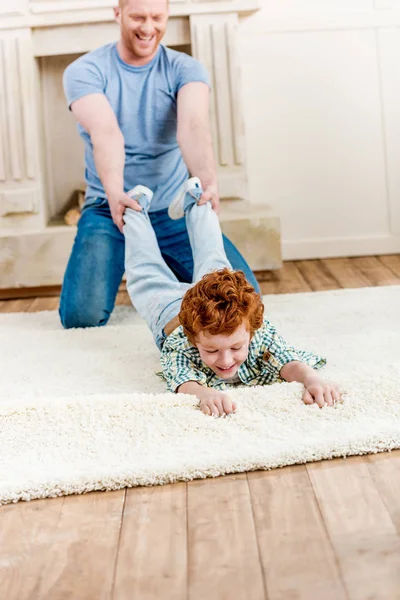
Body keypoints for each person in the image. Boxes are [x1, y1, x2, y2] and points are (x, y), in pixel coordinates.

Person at [59, 0, 260, 329]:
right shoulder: (85, 70)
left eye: (157, 17)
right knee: (80, 317)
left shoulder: (185, 68)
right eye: (138, 17)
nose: (148, 27)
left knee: (244, 301)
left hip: (172, 210)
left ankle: (170, 294)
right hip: (111, 209)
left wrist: (208, 183)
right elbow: (106, 133)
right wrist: (114, 196)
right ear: (118, 14)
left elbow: (192, 127)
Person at [124, 177, 341, 417]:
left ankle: (196, 201)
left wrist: (312, 378)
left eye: (236, 346)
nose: (225, 360)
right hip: (168, 310)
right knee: (145, 271)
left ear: (251, 332)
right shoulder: (181, 345)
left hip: (215, 296)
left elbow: (288, 361)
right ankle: (135, 209)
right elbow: (182, 379)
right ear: (195, 341)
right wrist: (204, 393)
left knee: (213, 255)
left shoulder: (259, 331)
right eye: (211, 351)